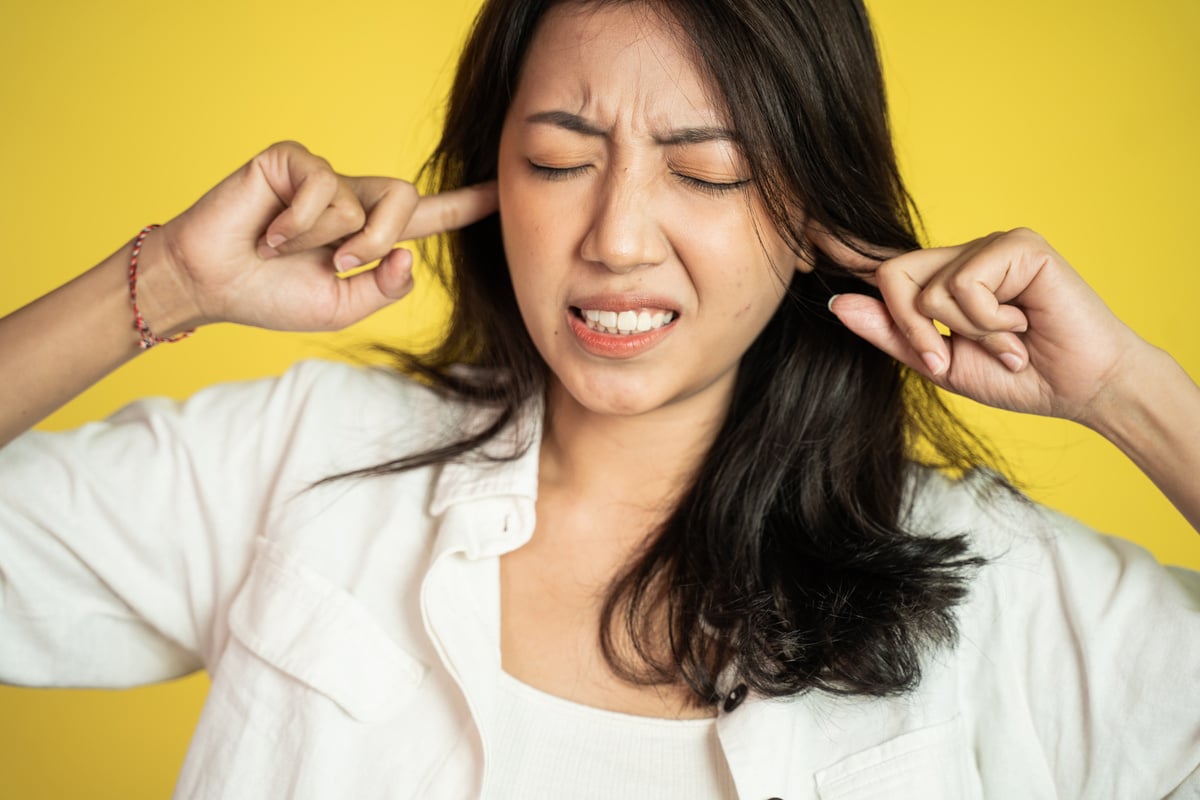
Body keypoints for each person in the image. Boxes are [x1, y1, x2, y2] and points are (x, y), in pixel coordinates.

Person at [2, 0, 1198, 797]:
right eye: (560, 161)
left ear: (811, 217)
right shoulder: (309, 456)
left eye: (709, 169)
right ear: (486, 183)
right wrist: (166, 282)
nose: (616, 237)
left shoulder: (991, 582)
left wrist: (1124, 391)